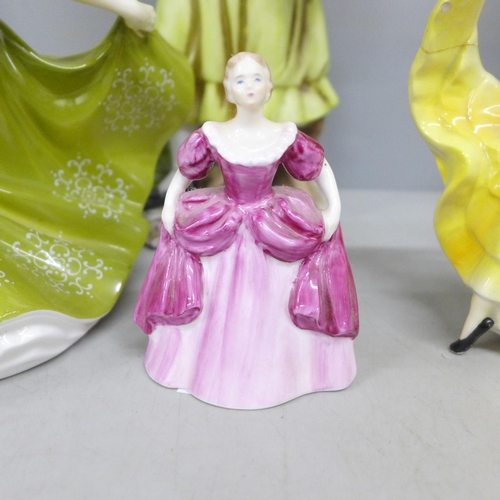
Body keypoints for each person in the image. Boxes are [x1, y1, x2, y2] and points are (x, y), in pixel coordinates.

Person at [135, 53, 358, 409]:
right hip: (223, 221)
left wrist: (335, 207)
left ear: (269, 88)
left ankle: (289, 371)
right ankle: (202, 368)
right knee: (216, 289)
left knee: (280, 285)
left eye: (257, 79)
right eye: (240, 80)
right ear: (228, 90)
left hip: (271, 222)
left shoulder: (283, 134)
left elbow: (319, 167)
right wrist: (169, 204)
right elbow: (187, 171)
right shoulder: (214, 134)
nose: (249, 87)